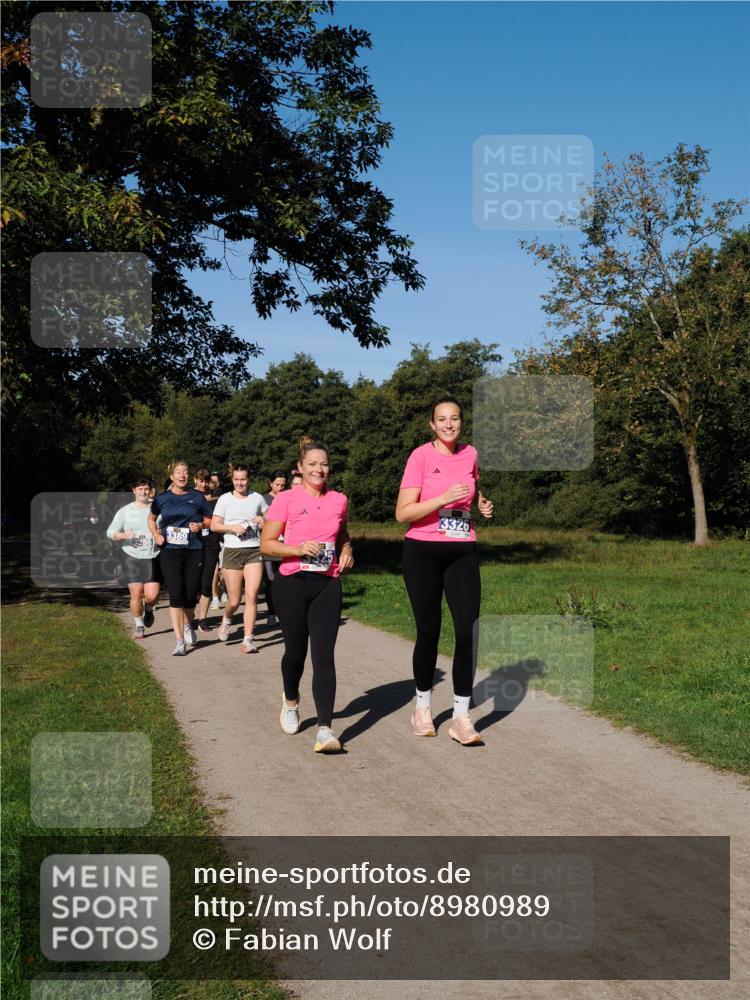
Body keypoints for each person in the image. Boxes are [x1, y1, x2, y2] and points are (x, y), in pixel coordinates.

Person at [395, 397, 494, 745]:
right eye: (442, 419)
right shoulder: (420, 457)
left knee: (468, 631)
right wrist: (442, 499)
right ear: (432, 425)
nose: (449, 424)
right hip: (422, 552)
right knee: (429, 631)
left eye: (454, 418)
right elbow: (403, 513)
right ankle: (422, 707)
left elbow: (471, 489)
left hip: (462, 550)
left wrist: (480, 503)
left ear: (461, 422)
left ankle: (461, 717)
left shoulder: (471, 454)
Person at [261, 437, 354, 753]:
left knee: (324, 656)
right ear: (300, 467)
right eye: (312, 464)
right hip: (292, 584)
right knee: (295, 654)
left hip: (327, 584)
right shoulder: (285, 499)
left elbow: (342, 534)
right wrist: (297, 549)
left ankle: (325, 729)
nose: (319, 469)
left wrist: (347, 549)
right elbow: (266, 544)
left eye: (324, 464)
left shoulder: (339, 500)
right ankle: (290, 699)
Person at [148, 461, 213, 656]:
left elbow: (210, 520)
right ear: (172, 476)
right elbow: (151, 518)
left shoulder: (197, 497)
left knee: (190, 595)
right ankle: (178, 641)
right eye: (178, 472)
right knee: (175, 594)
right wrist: (155, 535)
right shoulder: (162, 498)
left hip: (194, 549)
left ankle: (187, 625)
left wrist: (200, 526)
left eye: (185, 472)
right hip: (170, 550)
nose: (183, 475)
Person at [211, 464, 268, 652]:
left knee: (251, 596)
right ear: (232, 479)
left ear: (248, 479)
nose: (240, 483)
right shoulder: (225, 499)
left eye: (243, 479)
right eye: (236, 479)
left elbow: (271, 520)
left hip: (253, 551)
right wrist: (231, 528)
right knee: (234, 601)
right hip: (233, 552)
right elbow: (214, 525)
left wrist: (263, 521)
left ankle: (248, 639)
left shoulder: (257, 498)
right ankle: (226, 620)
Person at [106, 477, 161, 639]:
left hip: (153, 555)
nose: (143, 492)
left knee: (152, 595)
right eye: (140, 489)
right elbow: (110, 532)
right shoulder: (125, 511)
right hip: (131, 556)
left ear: (149, 491)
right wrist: (124, 535)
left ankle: (149, 609)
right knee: (136, 593)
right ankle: (138, 625)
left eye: (146, 489)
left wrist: (161, 533)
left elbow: (164, 526)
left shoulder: (156, 509)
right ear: (134, 491)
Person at [192, 467, 221, 634]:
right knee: (191, 583)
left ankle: (202, 619)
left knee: (206, 582)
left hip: (211, 543)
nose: (203, 484)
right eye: (200, 480)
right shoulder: (188, 495)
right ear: (195, 479)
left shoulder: (217, 498)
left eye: (206, 480)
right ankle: (189, 618)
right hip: (192, 544)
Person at [262, 471, 287, 626]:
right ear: (271, 483)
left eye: (283, 485)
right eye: (277, 484)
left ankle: (284, 611)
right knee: (271, 580)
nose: (280, 488)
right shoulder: (263, 500)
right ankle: (271, 613)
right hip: (269, 547)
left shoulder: (288, 498)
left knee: (285, 581)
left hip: (286, 546)